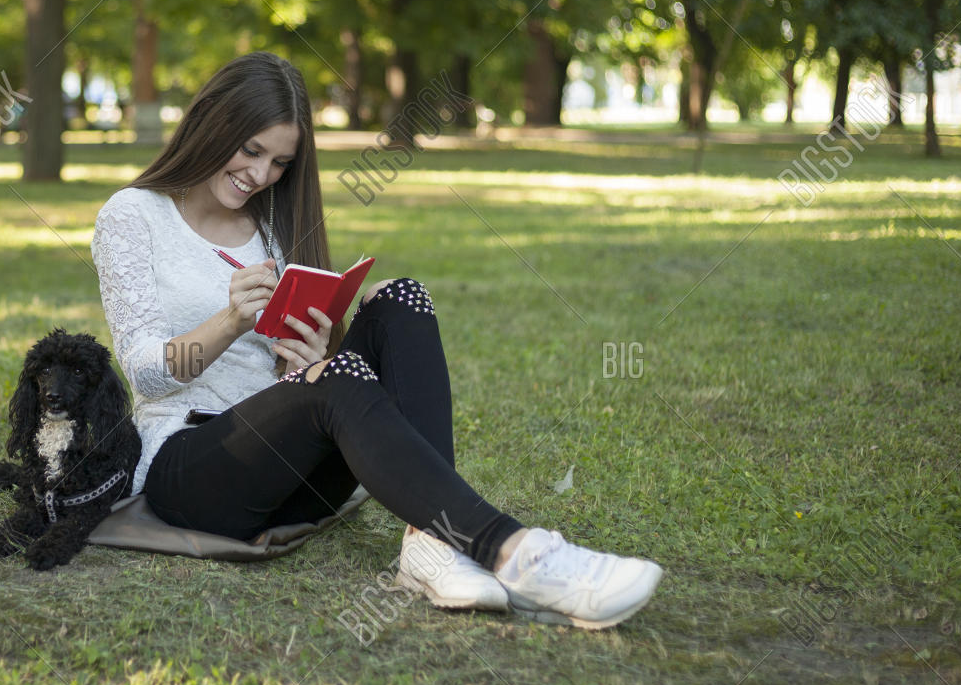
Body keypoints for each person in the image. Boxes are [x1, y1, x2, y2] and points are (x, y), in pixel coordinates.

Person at [89, 51, 662, 628]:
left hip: (292, 471)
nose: (261, 176)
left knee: (400, 296)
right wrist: (229, 323)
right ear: (213, 121)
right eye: (251, 151)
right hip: (195, 466)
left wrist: (308, 361)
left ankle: (429, 544)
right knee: (335, 381)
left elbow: (291, 380)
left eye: (280, 162)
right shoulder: (133, 216)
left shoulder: (272, 222)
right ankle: (521, 555)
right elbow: (143, 371)